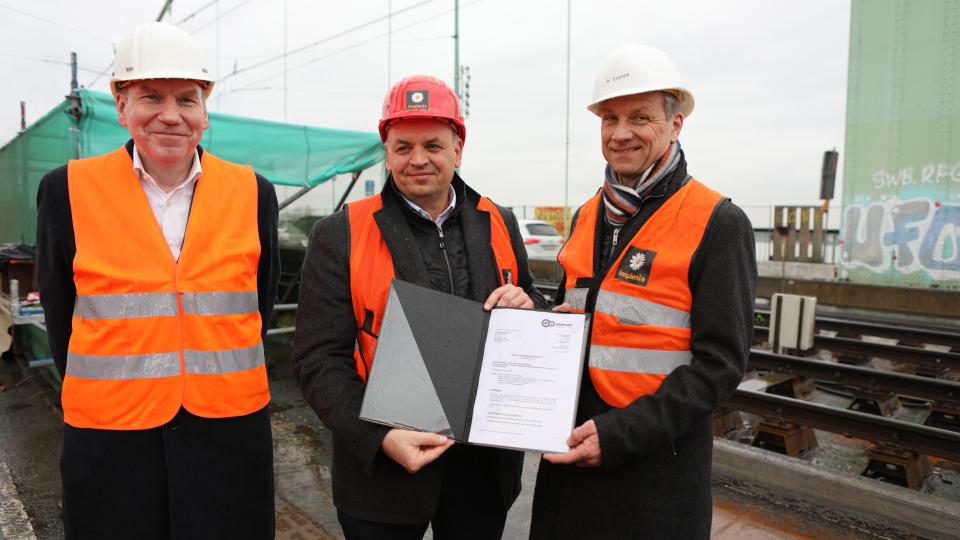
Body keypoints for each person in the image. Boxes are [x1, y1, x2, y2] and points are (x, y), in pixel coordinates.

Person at [36, 22, 279, 539]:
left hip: (229, 437)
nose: (171, 115)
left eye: (187, 99)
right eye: (150, 96)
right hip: (110, 442)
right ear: (121, 106)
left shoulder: (252, 192)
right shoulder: (68, 190)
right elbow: (62, 318)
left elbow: (259, 305)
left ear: (205, 111)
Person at [292, 75, 545, 540]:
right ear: (386, 152)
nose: (418, 159)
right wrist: (378, 439)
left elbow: (532, 299)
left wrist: (528, 306)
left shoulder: (500, 221)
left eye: (433, 144)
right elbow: (317, 358)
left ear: (458, 149)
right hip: (382, 471)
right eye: (403, 147)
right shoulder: (341, 233)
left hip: (482, 467)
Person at [529, 44, 757, 539]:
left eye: (640, 117)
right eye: (609, 118)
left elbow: (720, 365)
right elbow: (581, 317)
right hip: (569, 466)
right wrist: (531, 313)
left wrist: (619, 435)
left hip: (654, 475)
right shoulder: (588, 215)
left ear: (675, 125)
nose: (621, 132)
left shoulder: (718, 223)